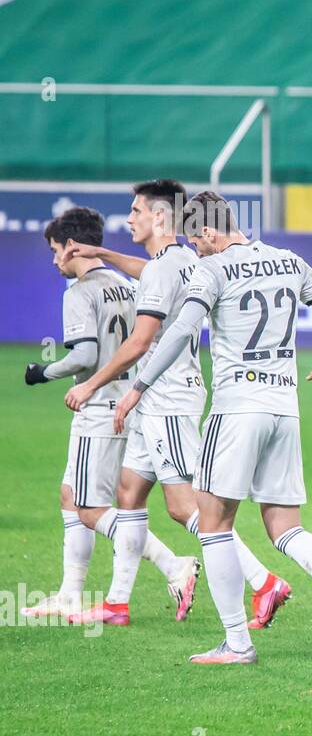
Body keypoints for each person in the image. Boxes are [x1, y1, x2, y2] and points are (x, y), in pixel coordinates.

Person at [115, 191, 312, 666]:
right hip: (284, 410)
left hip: (235, 410)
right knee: (285, 528)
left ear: (208, 233)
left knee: (213, 523)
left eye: (196, 242)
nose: (196, 251)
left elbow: (177, 332)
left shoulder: (212, 270)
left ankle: (237, 643)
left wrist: (138, 388)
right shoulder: (287, 260)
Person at [63, 180, 289, 628]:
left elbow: (141, 340)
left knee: (186, 506)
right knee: (129, 494)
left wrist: (92, 386)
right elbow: (147, 271)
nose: (129, 219)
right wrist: (103, 254)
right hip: (162, 398)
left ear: (159, 217)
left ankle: (264, 582)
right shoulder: (183, 257)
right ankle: (117, 603)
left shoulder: (168, 266)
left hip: (168, 398)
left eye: (136, 211)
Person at [22, 209, 198, 622]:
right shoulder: (126, 285)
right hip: (127, 405)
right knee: (72, 494)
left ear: (72, 247)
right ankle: (70, 594)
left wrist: (43, 373)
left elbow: (84, 355)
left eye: (55, 251)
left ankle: (174, 564)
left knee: (88, 507)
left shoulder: (79, 292)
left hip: (98, 407)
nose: (53, 261)